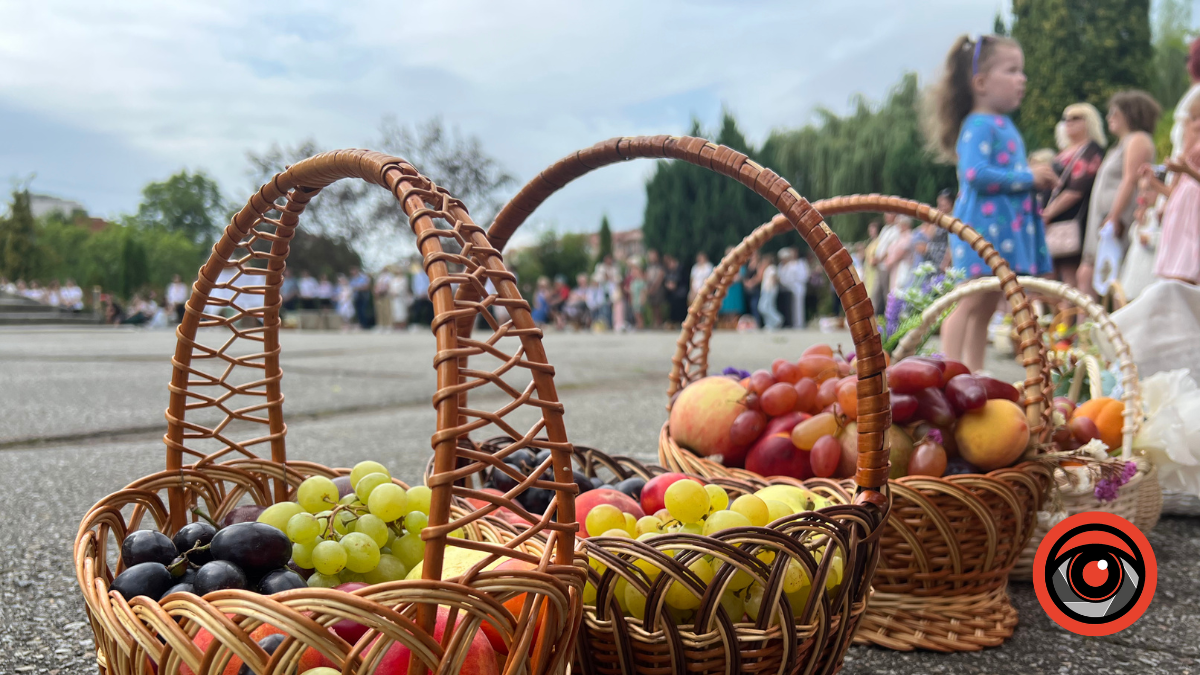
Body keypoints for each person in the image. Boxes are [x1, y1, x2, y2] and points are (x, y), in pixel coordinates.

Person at [925, 34, 1057, 372]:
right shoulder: (979, 124)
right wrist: (1028, 177)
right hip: (981, 229)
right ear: (981, 82)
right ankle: (950, 371)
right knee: (970, 298)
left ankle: (974, 370)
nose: (1022, 79)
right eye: (1012, 70)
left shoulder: (1004, 125)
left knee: (985, 303)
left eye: (1021, 71)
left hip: (1000, 229)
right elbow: (975, 173)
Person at [1079, 91, 1159, 297]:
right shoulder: (1122, 143)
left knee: (1099, 274)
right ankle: (1087, 326)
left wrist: (1114, 217)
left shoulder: (1138, 139)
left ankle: (1093, 325)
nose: (1109, 118)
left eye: (1114, 112)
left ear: (1130, 113)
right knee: (1088, 273)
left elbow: (1130, 179)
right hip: (1104, 217)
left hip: (1118, 218)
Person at [1041, 103, 1106, 289]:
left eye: (1076, 117)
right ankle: (1057, 317)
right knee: (1050, 276)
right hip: (1054, 222)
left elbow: (1076, 191)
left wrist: (1047, 214)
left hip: (1072, 222)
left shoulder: (1090, 151)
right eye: (1066, 118)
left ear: (1089, 121)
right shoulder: (1064, 152)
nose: (1069, 122)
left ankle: (1070, 318)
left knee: (1070, 275)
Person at [1138, 94, 1200, 286]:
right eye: (1193, 120)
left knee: (1187, 277)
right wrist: (1153, 182)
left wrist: (1187, 170)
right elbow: (1173, 193)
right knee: (1174, 281)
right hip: (1181, 220)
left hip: (1195, 222)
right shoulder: (1188, 152)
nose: (1194, 126)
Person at [779, 247, 809, 329]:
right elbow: (784, 277)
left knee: (799, 306)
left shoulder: (801, 263)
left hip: (799, 287)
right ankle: (793, 323)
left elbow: (805, 276)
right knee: (791, 306)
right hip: (790, 287)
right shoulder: (788, 265)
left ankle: (800, 323)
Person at [884, 216, 915, 291]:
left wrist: (889, 262)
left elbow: (901, 253)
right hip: (895, 268)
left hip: (903, 267)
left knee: (900, 288)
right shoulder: (900, 237)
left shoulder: (909, 236)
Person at [757, 252, 783, 330]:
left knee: (763, 307)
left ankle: (777, 319)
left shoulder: (772, 268)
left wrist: (770, 288)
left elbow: (774, 278)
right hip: (766, 291)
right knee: (769, 307)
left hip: (769, 291)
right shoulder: (767, 269)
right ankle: (770, 324)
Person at [644, 249, 666, 329]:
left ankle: (659, 322)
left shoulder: (660, 266)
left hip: (657, 289)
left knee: (657, 306)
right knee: (652, 306)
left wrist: (654, 288)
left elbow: (660, 277)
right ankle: (654, 322)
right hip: (650, 287)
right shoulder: (649, 266)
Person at [663, 255, 687, 326]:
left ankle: (681, 321)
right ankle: (673, 321)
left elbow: (684, 280)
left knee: (681, 307)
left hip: (681, 292)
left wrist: (675, 284)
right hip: (672, 293)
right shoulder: (669, 270)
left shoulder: (681, 269)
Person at [373, 267, 394, 331]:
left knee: (387, 311)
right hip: (379, 296)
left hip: (386, 295)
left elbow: (390, 285)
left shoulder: (390, 276)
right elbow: (376, 286)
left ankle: (388, 325)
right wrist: (376, 293)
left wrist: (384, 291)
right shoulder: (379, 277)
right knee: (380, 311)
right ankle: (381, 325)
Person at [628, 263, 647, 331]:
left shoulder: (641, 281)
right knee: (635, 312)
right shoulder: (633, 282)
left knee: (639, 313)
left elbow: (643, 291)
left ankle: (641, 324)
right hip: (634, 299)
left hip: (639, 298)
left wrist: (643, 299)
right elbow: (631, 292)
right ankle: (638, 324)